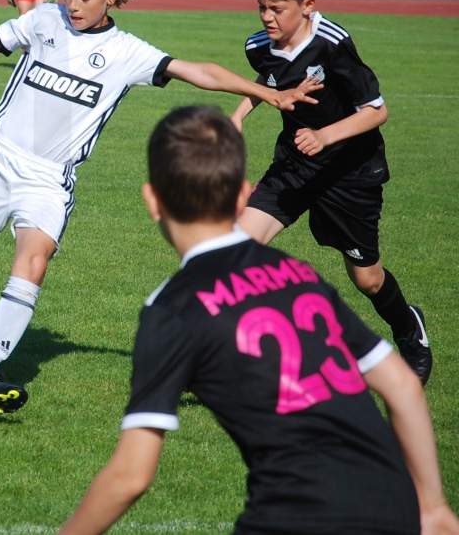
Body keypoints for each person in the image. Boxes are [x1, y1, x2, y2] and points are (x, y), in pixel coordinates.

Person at [0, 0, 320, 417]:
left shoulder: (126, 53)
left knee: (33, 261)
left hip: (48, 179)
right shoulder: (44, 20)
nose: (72, 4)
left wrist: (269, 93)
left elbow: (199, 71)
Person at [58, 105, 459, 535]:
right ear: (241, 196)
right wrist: (433, 507)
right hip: (395, 506)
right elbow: (400, 385)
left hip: (298, 514)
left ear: (153, 200)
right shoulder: (298, 273)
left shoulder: (172, 307)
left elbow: (131, 477)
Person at [229, 0, 432, 385]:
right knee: (237, 250)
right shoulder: (257, 46)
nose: (266, 17)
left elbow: (377, 111)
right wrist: (239, 115)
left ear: (308, 6)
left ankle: (408, 328)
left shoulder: (333, 44)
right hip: (296, 166)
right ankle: (235, 359)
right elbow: (269, 81)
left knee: (367, 280)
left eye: (277, 9)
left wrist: (325, 135)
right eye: (261, 6)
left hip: (350, 172)